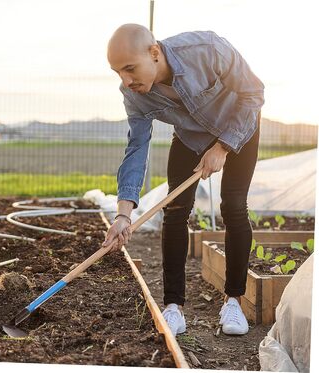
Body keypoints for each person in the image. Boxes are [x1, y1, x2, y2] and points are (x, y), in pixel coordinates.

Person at [102, 23, 264, 337]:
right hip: (190, 138)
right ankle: (173, 307)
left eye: (130, 69)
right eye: (117, 72)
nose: (125, 80)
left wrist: (223, 146)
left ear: (154, 53)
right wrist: (123, 214)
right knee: (174, 212)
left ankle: (233, 301)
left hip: (240, 128)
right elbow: (137, 147)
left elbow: (253, 92)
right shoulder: (133, 95)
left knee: (233, 206)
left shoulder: (206, 50)